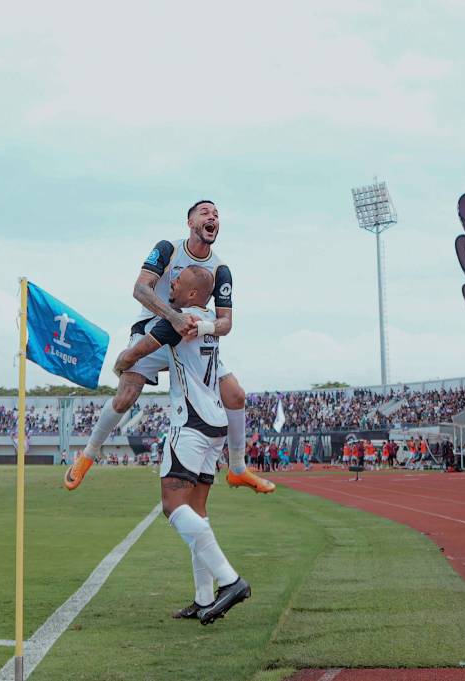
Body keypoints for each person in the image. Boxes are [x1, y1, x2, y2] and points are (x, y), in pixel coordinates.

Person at [65, 200, 274, 494]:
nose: (212, 216)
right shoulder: (168, 249)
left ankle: (238, 469)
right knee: (125, 396)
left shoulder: (220, 269)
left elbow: (226, 323)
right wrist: (173, 318)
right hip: (155, 326)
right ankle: (87, 454)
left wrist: (198, 326)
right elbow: (140, 288)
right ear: (190, 223)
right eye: (205, 212)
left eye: (216, 214)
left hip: (191, 333)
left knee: (236, 395)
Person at [113, 265, 249, 624]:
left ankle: (230, 580)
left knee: (173, 508)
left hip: (189, 422)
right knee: (198, 512)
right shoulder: (207, 321)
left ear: (191, 294)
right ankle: (204, 598)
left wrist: (120, 362)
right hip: (216, 423)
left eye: (178, 280)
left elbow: (134, 355)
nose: (170, 282)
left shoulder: (178, 321)